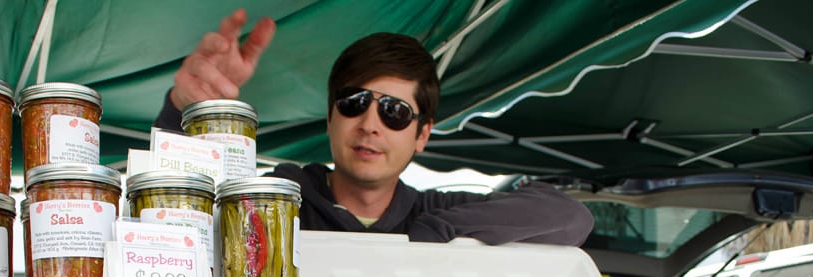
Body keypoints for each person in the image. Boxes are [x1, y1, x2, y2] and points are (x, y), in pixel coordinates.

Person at [156, 9, 593, 245]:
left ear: (422, 134)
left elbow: (569, 217)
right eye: (354, 104)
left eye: (395, 113)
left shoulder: (435, 213)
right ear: (330, 117)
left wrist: (433, 235)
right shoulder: (280, 200)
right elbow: (179, 214)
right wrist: (183, 109)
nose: (369, 124)